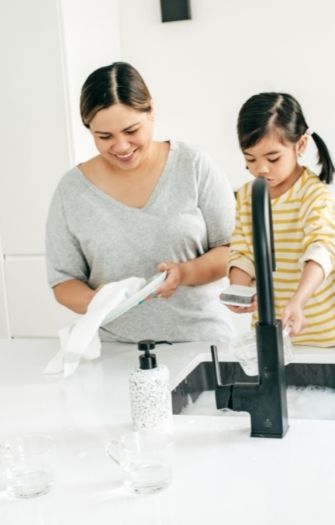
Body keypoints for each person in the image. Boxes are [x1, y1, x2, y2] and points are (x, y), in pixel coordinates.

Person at [45, 62, 235, 343]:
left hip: (201, 344)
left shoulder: (192, 166)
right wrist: (98, 301)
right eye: (105, 137)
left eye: (131, 130)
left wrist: (184, 273)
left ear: (151, 111)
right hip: (116, 353)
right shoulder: (72, 191)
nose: (121, 146)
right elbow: (63, 282)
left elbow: (235, 250)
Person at [226, 92, 335, 346]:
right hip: (268, 333)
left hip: (322, 333)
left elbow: (321, 251)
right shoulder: (248, 196)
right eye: (250, 159)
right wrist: (239, 291)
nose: (261, 168)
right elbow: (242, 252)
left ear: (301, 145)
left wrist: (298, 301)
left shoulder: (314, 195)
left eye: (273, 158)